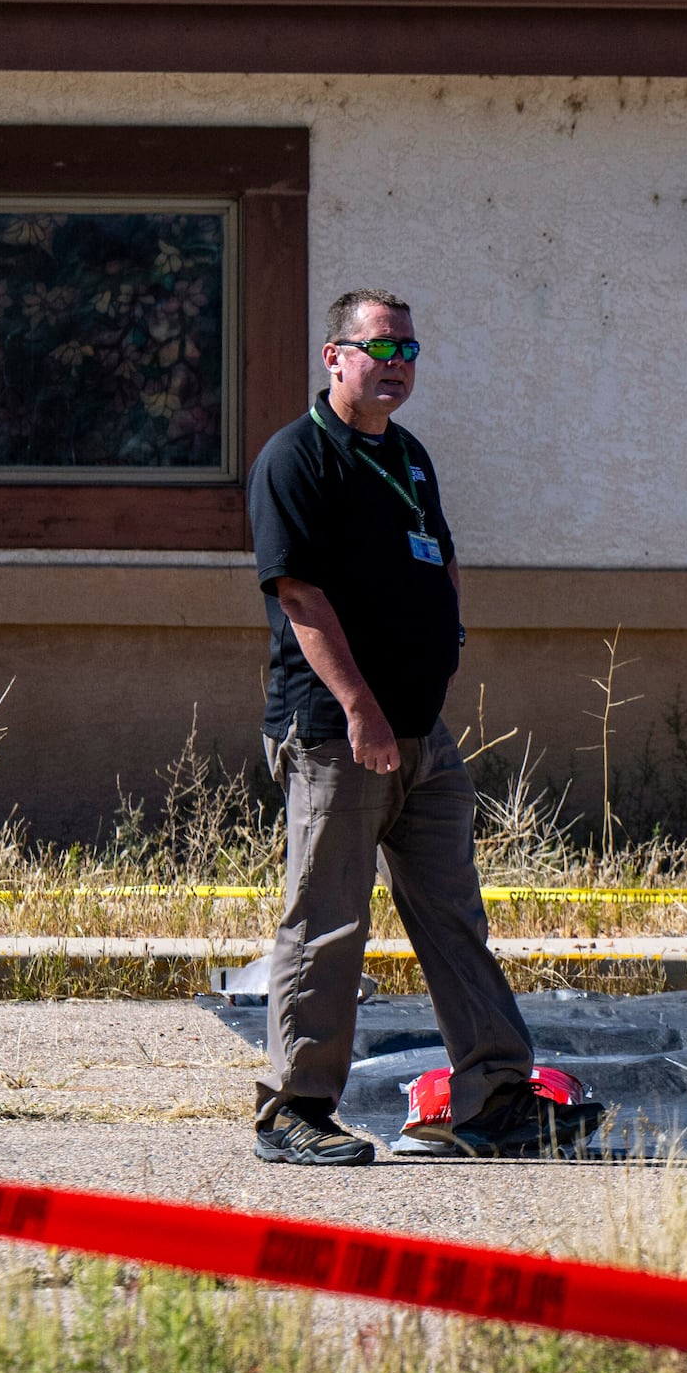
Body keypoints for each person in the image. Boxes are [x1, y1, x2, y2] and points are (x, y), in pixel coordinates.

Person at [248, 289, 602, 1166]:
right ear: (334, 356)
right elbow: (300, 595)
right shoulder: (296, 460)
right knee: (327, 919)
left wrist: (445, 644)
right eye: (379, 349)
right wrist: (362, 709)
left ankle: (497, 1099)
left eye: (409, 351)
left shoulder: (406, 457)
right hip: (338, 731)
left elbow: (439, 558)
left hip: (423, 735)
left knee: (452, 916)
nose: (397, 365)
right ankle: (296, 1109)